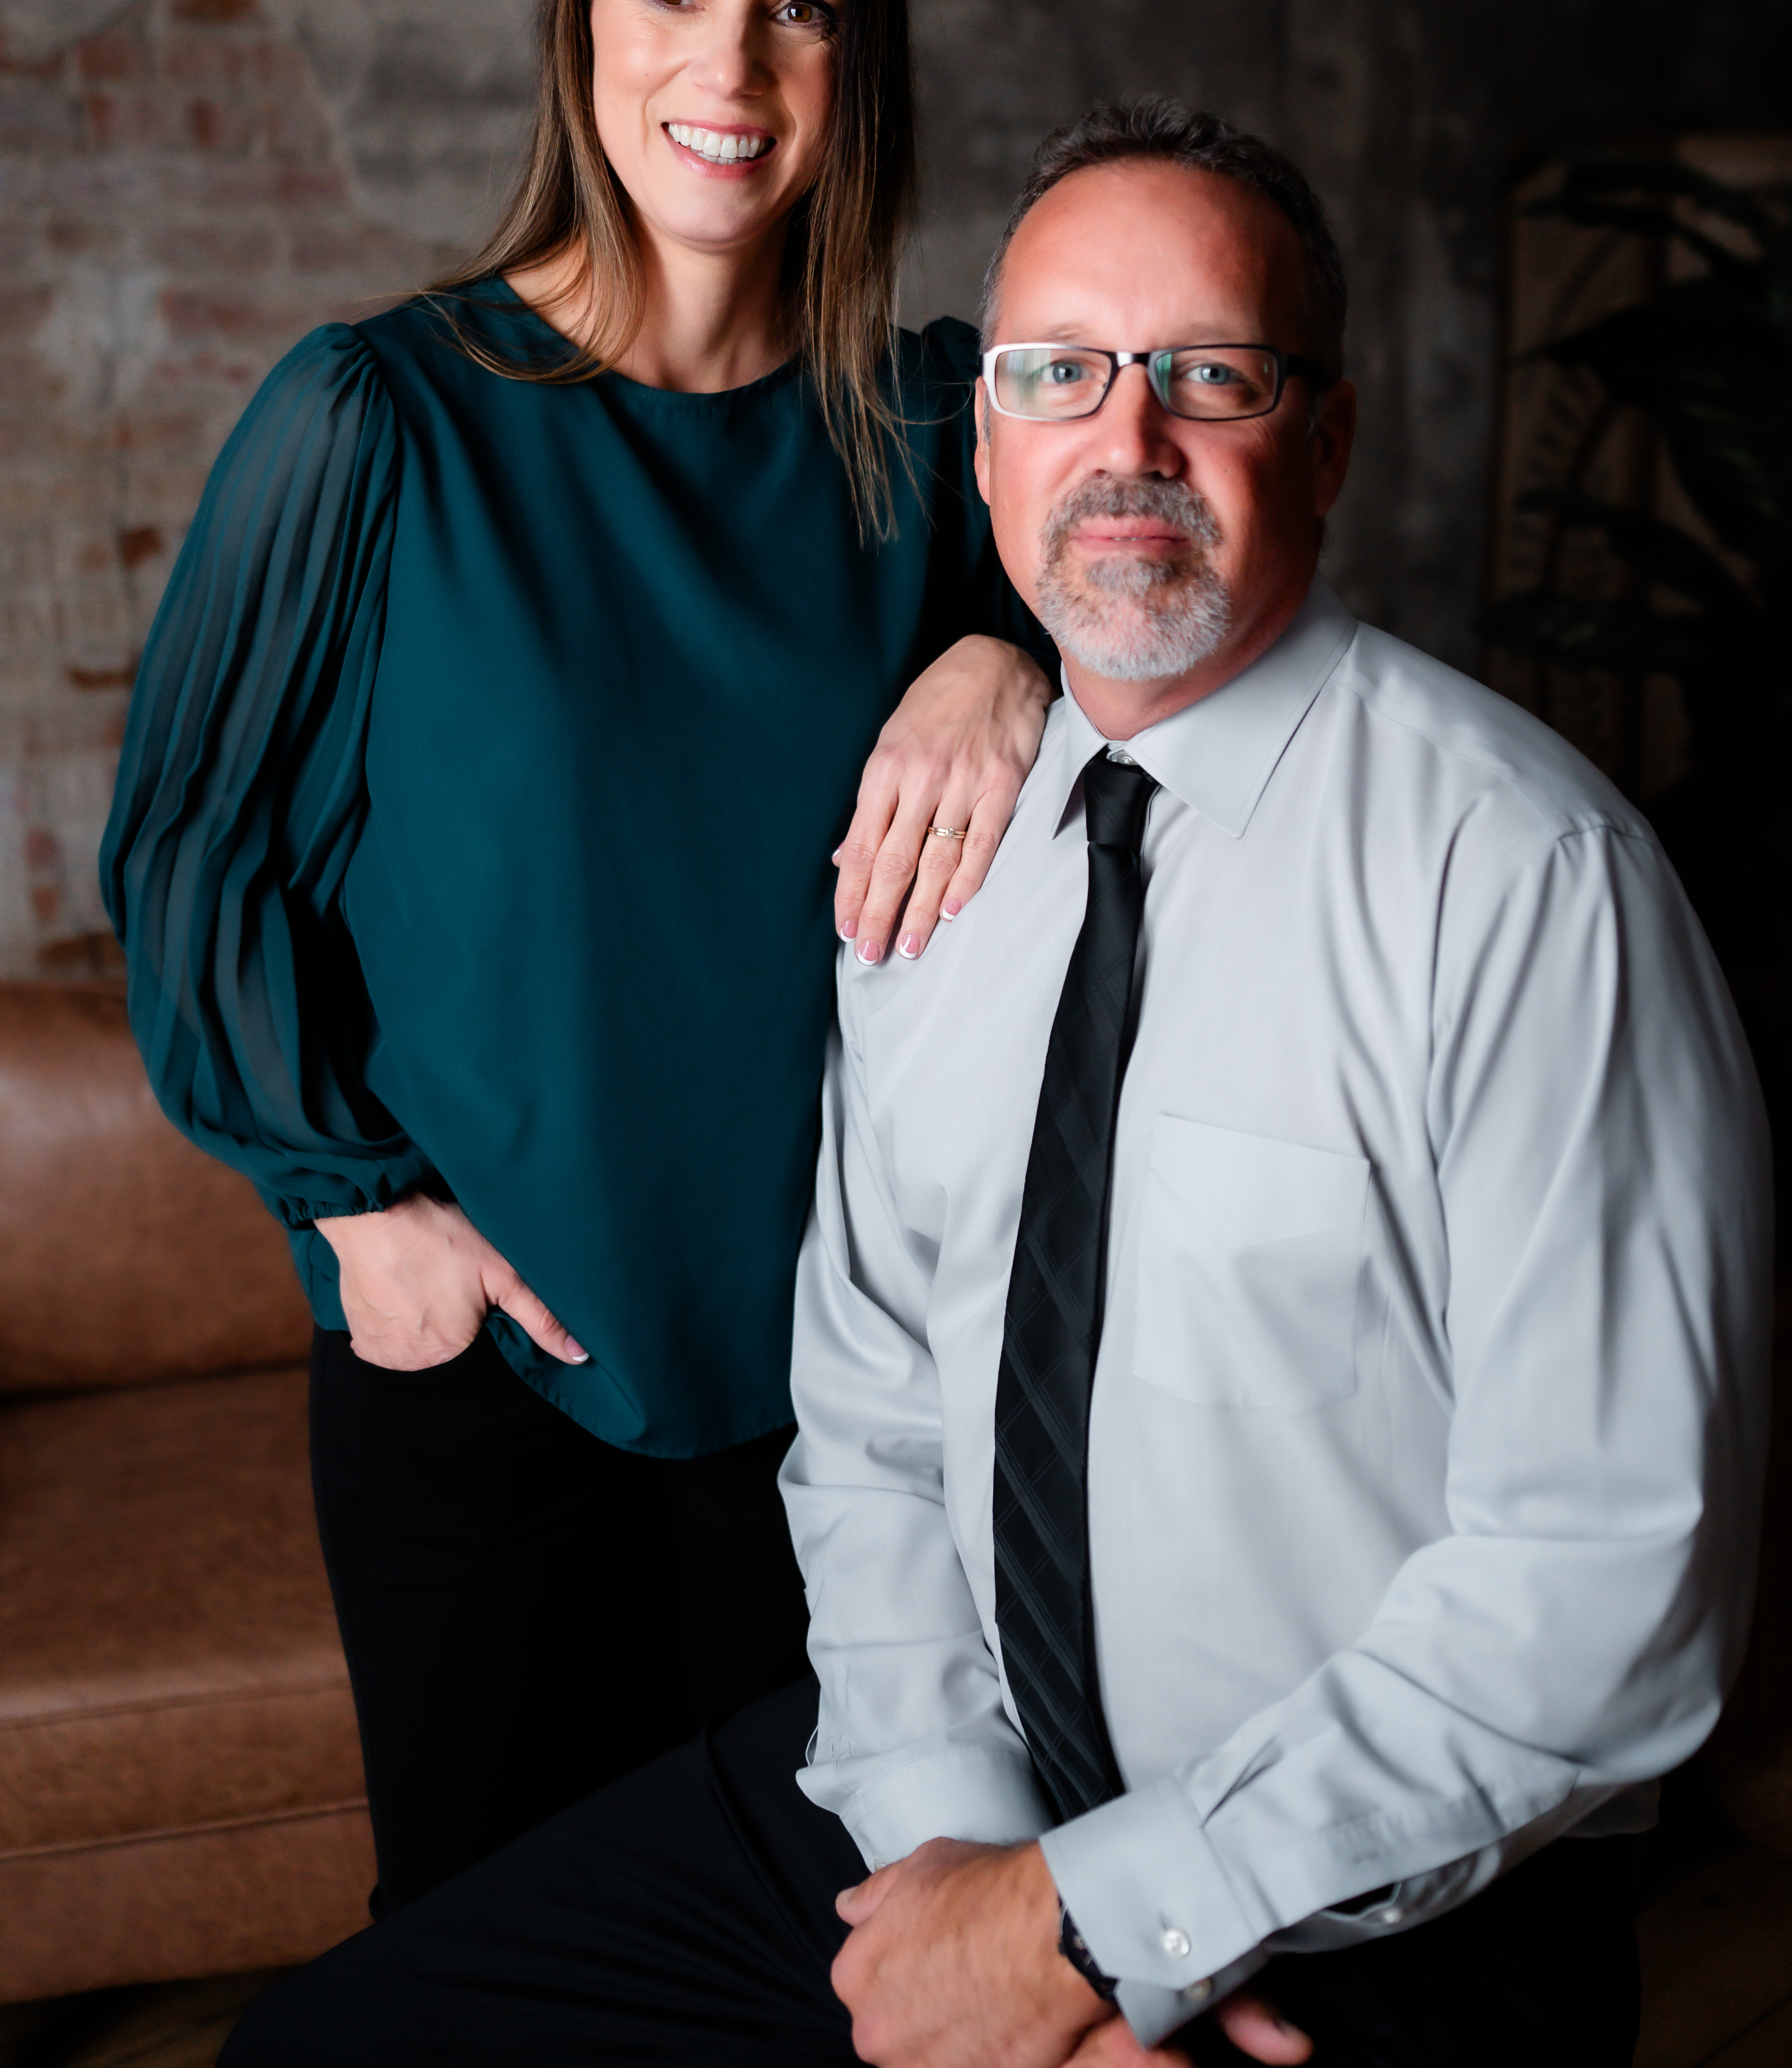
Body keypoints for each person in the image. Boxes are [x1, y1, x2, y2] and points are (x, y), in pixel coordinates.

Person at [220, 99, 1770, 2068]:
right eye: (1059, 374)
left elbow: (1608, 1581)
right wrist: (960, 1867)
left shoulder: (1528, 883)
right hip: (953, 1791)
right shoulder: (935, 865)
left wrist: (1091, 1929)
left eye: (1210, 375)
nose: (1129, 443)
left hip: (1374, 1876)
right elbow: (872, 1427)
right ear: (986, 444)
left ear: (1328, 438)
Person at [100, 0, 1055, 1915]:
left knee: (790, 1964)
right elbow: (191, 855)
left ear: (859, 66)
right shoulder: (379, 418)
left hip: (844, 1397)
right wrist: (364, 1218)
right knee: (483, 1965)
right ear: (581, 18)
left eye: (799, 9)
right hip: (493, 1367)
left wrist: (1003, 658)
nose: (731, 68)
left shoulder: (931, 433)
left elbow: (1164, 598)